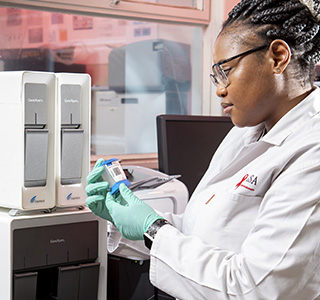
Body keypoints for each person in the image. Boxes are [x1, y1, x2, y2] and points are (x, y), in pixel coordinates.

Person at [86, 0, 320, 299]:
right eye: (215, 76)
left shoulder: (312, 151)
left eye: (227, 70)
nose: (220, 89)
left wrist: (153, 228)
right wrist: (129, 223)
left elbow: (258, 289)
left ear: (278, 56)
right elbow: (200, 233)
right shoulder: (245, 132)